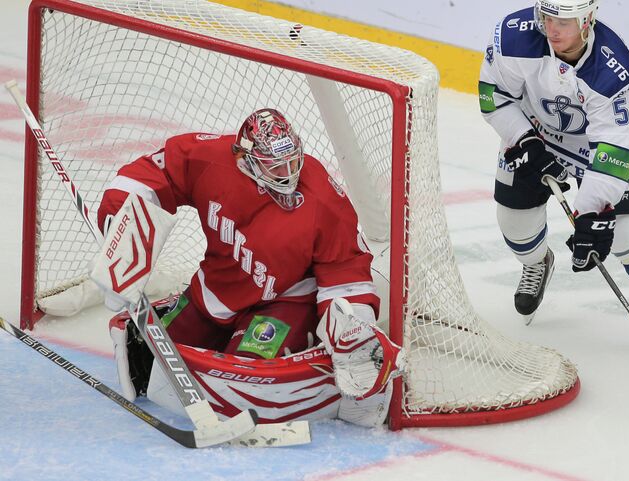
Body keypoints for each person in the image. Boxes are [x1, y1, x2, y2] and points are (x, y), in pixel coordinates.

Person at [98, 108, 403, 426]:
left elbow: (346, 266)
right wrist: (120, 227)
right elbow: (153, 173)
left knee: (245, 374)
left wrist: (353, 325)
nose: (287, 173)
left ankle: (313, 359)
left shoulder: (322, 197)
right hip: (217, 289)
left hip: (285, 300)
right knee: (150, 354)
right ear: (245, 158)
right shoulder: (210, 159)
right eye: (275, 166)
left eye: (292, 161)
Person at [478, 0, 629, 357]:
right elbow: (494, 95)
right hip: (535, 133)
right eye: (547, 17)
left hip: (595, 148)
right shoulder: (514, 36)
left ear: (588, 20)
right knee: (514, 223)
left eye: (564, 21)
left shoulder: (614, 70)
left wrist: (591, 214)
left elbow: (619, 147)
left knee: (627, 230)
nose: (552, 29)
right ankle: (538, 262)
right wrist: (526, 141)